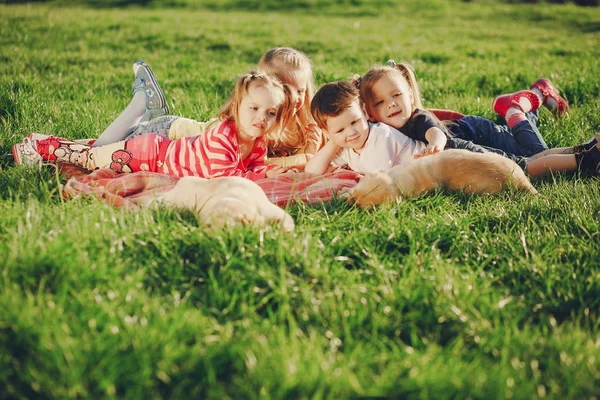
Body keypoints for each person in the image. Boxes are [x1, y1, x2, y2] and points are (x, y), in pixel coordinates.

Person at [13, 71, 294, 181]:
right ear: (236, 108)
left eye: (270, 113)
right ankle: (38, 146)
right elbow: (227, 177)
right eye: (254, 109)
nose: (261, 118)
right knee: (89, 158)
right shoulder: (223, 137)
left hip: (154, 158)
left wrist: (265, 171)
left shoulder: (258, 141)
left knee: (94, 154)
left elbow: (255, 166)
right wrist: (264, 178)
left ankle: (45, 146)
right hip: (147, 154)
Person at [356, 60, 599, 178]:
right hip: (467, 137)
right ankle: (585, 150)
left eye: (396, 95)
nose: (390, 104)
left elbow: (434, 132)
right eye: (379, 102)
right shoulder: (378, 131)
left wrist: (435, 145)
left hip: (478, 134)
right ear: (368, 111)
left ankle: (516, 107)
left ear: (409, 94)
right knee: (532, 158)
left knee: (531, 159)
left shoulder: (417, 120)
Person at [92, 48, 323, 168]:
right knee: (100, 149)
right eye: (286, 89)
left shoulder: (300, 122)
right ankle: (141, 102)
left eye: (301, 90)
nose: (296, 97)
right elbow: (259, 165)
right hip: (169, 133)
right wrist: (306, 157)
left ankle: (152, 109)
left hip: (174, 146)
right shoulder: (251, 122)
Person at [304, 81, 426, 175]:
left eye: (355, 122)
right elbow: (312, 171)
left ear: (364, 112)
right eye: (340, 130)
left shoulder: (380, 136)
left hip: (428, 165)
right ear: (327, 132)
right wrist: (333, 143)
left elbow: (379, 179)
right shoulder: (345, 146)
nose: (352, 132)